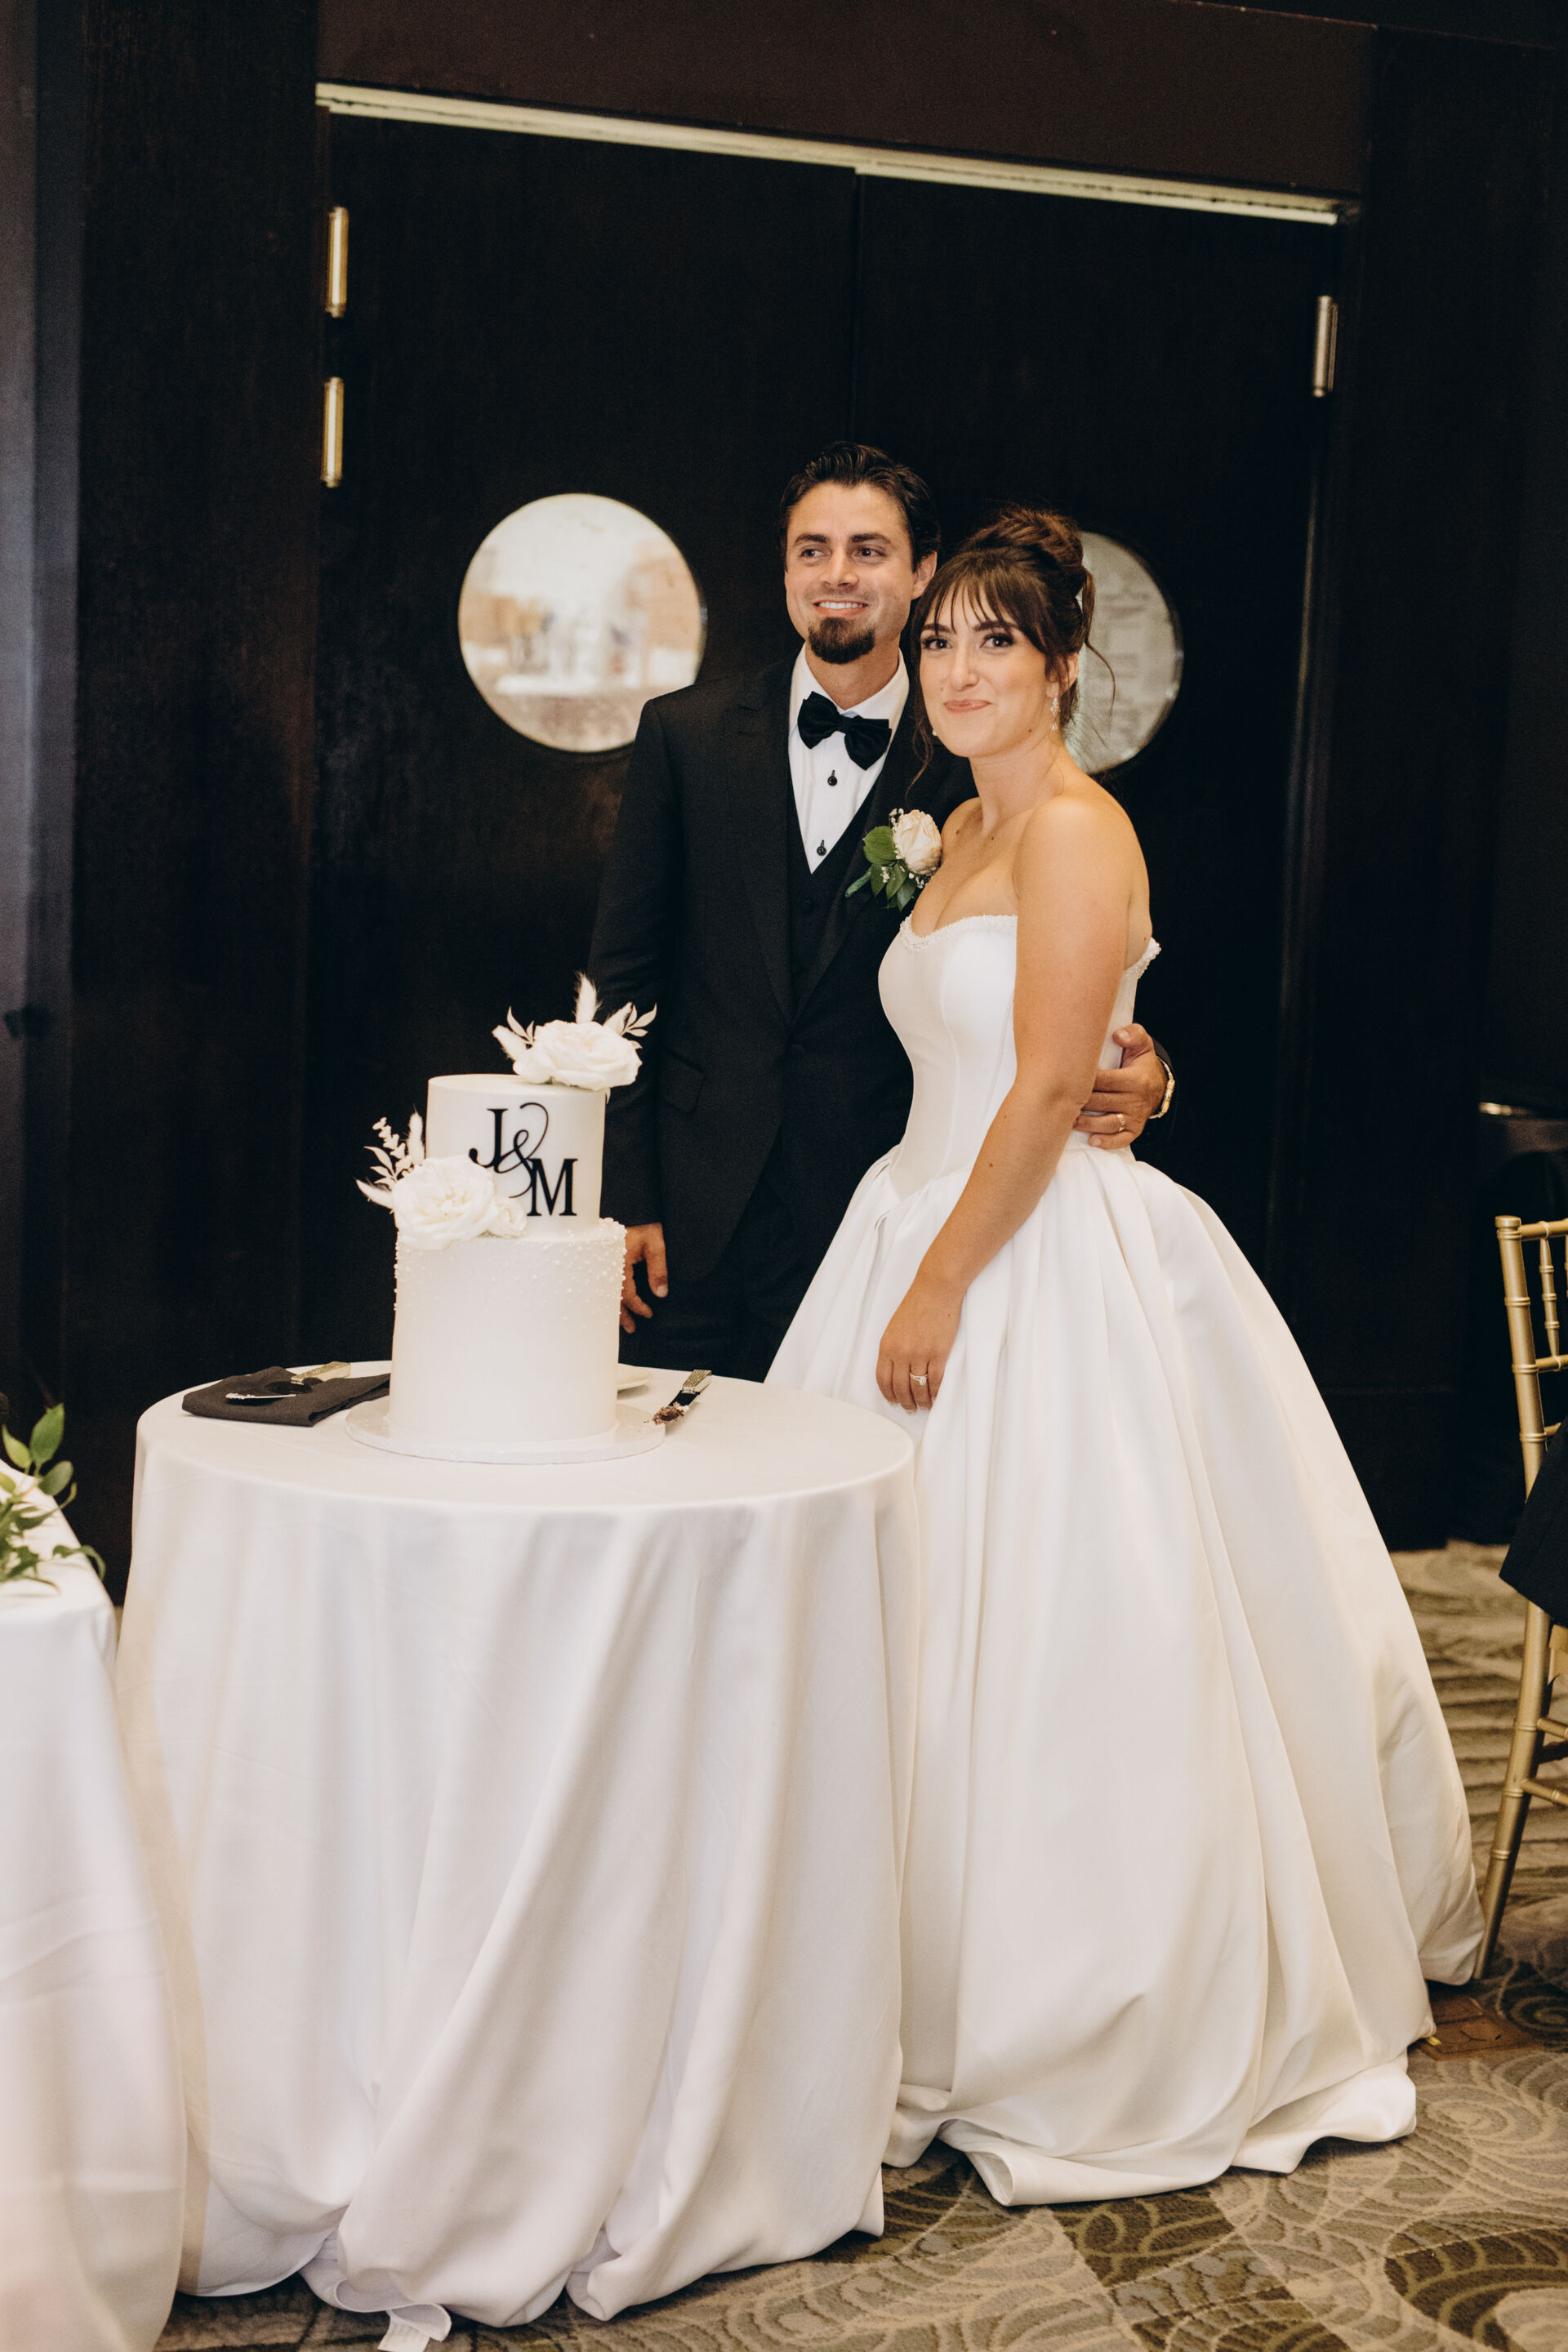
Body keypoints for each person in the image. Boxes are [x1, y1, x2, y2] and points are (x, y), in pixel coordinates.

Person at [769, 505, 1482, 2203]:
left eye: (996, 642)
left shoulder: (1085, 832)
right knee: (902, 1628)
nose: (959, 669)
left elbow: (1041, 1089)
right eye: (942, 640)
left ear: (1064, 664)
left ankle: (1064, 1998)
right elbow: (1042, 1046)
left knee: (1066, 1625)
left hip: (1028, 1257)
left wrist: (943, 1283)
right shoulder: (953, 829)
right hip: (913, 1212)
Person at [588, 445, 1171, 1380]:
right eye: (812, 549)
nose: (838, 574)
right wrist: (623, 1195)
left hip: (879, 1203)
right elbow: (621, 977)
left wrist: (1146, 1074)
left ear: (921, 571)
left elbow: (1067, 978)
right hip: (691, 1212)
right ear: (785, 570)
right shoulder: (686, 736)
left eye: (868, 550)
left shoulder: (978, 764)